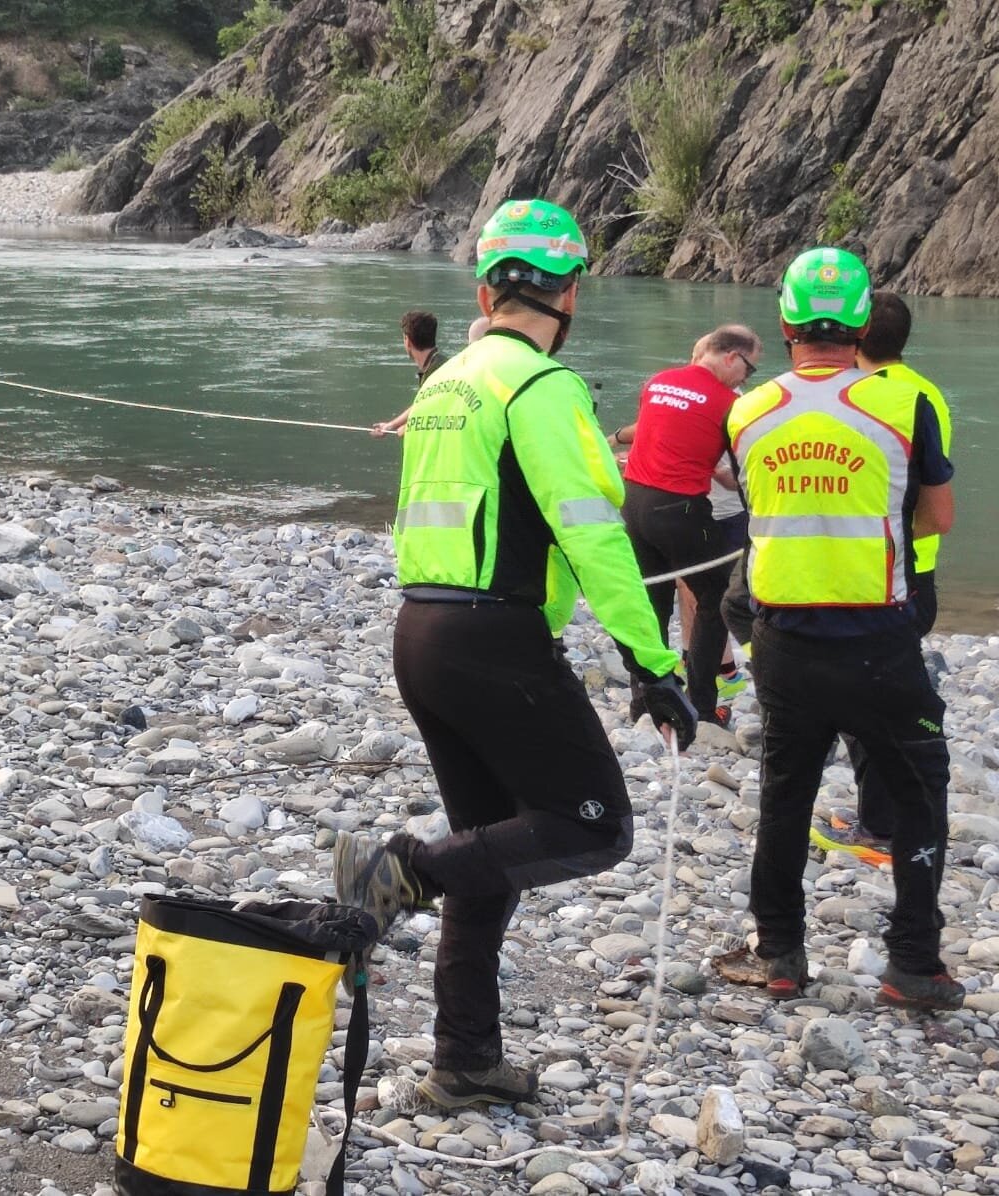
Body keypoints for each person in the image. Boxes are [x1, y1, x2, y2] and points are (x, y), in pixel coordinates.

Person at [333, 198, 697, 1109]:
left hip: (421, 632)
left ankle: (464, 1058)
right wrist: (653, 663)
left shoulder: (446, 381)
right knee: (593, 825)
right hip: (492, 638)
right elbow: (593, 534)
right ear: (569, 293)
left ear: (484, 291)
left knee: (487, 854)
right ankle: (393, 874)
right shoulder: (540, 386)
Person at [727, 248, 960, 1010]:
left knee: (786, 792)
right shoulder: (902, 406)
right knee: (919, 789)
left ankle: (780, 953)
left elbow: (755, 500)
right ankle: (914, 963)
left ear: (785, 324)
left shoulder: (748, 411)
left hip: (782, 638)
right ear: (862, 325)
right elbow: (938, 516)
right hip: (877, 638)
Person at [813, 291, 954, 859]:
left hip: (883, 576)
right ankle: (882, 813)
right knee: (878, 696)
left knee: (868, 704)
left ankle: (880, 827)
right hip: (918, 570)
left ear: (858, 332)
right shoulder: (924, 392)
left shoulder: (869, 397)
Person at [613, 325, 761, 727]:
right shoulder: (730, 403)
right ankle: (702, 705)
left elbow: (670, 436)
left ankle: (646, 699)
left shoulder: (658, 382)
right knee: (717, 600)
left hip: (634, 501)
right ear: (730, 357)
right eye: (748, 370)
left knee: (653, 601)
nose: (746, 380)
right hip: (678, 509)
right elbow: (743, 467)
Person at [371, 311, 446, 437]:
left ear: (408, 341)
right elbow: (423, 404)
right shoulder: (436, 364)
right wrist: (391, 425)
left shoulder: (438, 370)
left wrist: (409, 427)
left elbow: (442, 406)